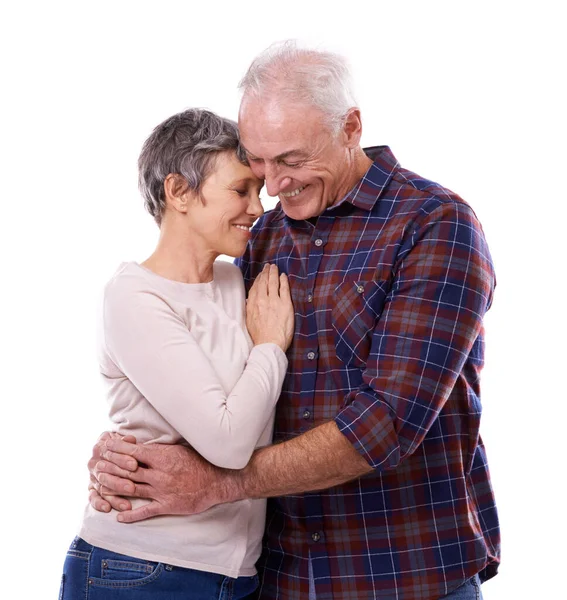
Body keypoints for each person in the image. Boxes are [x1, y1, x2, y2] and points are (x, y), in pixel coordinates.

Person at [89, 42, 501, 600]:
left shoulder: (434, 225)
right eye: (258, 164)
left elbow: (389, 422)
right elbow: (217, 385)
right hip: (279, 576)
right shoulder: (261, 240)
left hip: (404, 572)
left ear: (350, 126)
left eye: (291, 160)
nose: (274, 186)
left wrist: (214, 484)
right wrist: (131, 453)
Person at [60, 108, 295, 600]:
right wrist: (271, 347)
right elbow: (228, 442)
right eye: (240, 191)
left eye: (257, 190)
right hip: (141, 571)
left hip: (238, 576)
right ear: (179, 192)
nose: (258, 206)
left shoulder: (236, 280)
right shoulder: (133, 297)